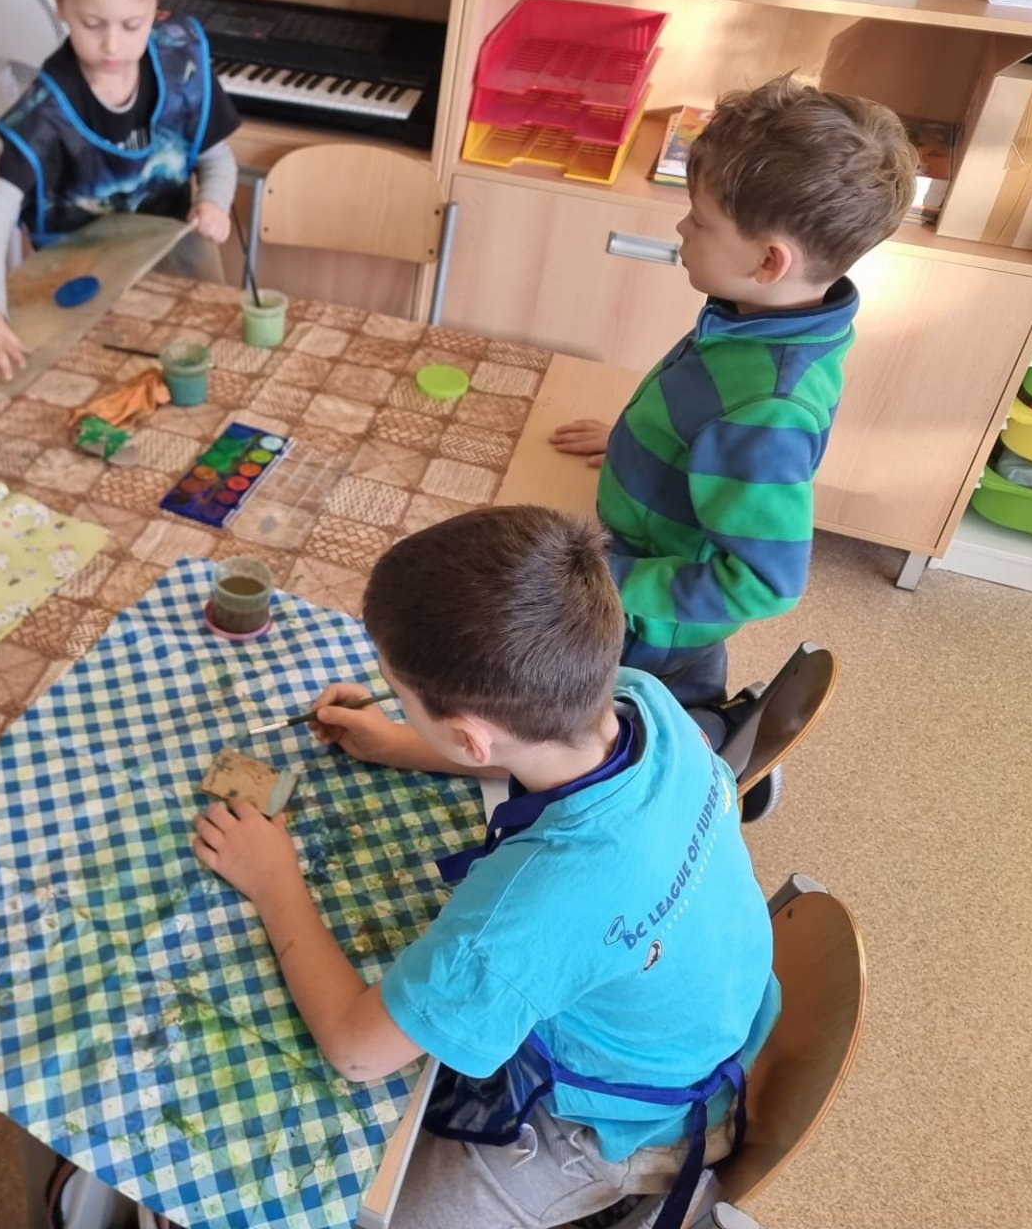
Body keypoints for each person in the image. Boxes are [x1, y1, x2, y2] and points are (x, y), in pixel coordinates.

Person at [193, 505, 779, 1229]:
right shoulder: (644, 700)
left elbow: (355, 1050)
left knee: (367, 1215)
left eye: (400, 697)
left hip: (626, 1122)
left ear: (472, 738)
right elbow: (526, 749)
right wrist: (399, 741)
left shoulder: (529, 909)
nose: (395, 704)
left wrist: (274, 879)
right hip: (702, 1006)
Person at [550, 76, 914, 728]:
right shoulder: (765, 317)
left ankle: (707, 739)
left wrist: (609, 582)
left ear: (769, 261)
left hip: (646, 620)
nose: (681, 226)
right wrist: (647, 446)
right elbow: (705, 424)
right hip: (644, 565)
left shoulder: (767, 411)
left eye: (700, 220)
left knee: (588, 721)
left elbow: (765, 582)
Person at [0, 0, 241, 380]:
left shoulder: (181, 63)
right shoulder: (47, 110)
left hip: (173, 275)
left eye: (131, 25)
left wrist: (214, 202)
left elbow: (218, 159)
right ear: (60, 0)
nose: (112, 44)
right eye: (92, 24)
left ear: (155, 1)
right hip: (81, 295)